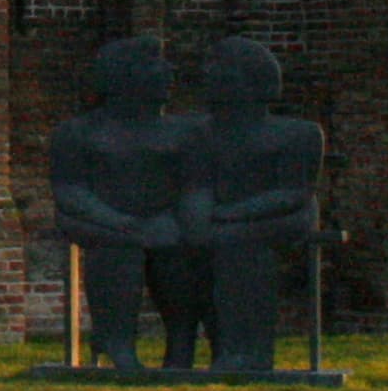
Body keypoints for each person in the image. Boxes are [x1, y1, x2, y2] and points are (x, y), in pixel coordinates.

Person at [48, 34, 196, 372]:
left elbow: (194, 186)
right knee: (118, 250)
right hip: (101, 222)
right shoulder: (78, 133)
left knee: (179, 254)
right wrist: (118, 220)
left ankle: (181, 343)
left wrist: (175, 219)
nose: (168, 71)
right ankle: (117, 340)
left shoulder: (184, 133)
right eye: (154, 64)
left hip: (165, 223)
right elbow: (70, 191)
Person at [187, 35, 323, 373]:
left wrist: (231, 214)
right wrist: (198, 218)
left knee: (235, 243)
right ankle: (217, 346)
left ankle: (249, 351)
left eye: (219, 67)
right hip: (223, 219)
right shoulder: (203, 135)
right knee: (190, 246)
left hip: (284, 217)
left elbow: (293, 193)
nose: (208, 74)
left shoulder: (299, 134)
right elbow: (198, 186)